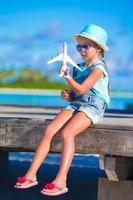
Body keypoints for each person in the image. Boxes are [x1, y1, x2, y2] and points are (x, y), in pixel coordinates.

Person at [14, 24, 110, 196]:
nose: (81, 50)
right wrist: (68, 95)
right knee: (50, 130)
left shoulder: (99, 69)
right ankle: (31, 174)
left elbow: (82, 89)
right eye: (78, 46)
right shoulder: (78, 68)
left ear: (97, 48)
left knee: (67, 133)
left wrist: (67, 78)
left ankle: (61, 179)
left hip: (93, 106)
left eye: (85, 46)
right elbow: (76, 93)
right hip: (77, 104)